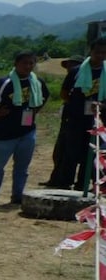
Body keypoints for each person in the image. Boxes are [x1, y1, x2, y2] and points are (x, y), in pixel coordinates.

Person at [0, 51, 51, 204]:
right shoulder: (4, 82)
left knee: (22, 168)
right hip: (5, 132)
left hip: (28, 131)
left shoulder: (37, 82)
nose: (28, 66)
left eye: (31, 63)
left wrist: (36, 111)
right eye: (24, 63)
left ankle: (17, 196)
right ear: (16, 64)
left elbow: (45, 96)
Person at [51, 38, 106, 191]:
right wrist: (76, 104)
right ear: (91, 51)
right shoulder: (76, 71)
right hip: (76, 119)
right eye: (97, 52)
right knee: (71, 151)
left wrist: (101, 106)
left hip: (98, 120)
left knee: (91, 153)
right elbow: (64, 93)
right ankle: (64, 183)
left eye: (104, 53)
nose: (100, 56)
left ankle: (82, 184)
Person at [42, 54, 89, 188]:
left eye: (73, 65)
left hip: (81, 120)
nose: (70, 68)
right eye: (68, 65)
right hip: (70, 119)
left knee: (75, 153)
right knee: (61, 152)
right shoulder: (72, 79)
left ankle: (76, 182)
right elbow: (64, 95)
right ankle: (58, 179)